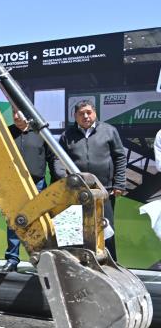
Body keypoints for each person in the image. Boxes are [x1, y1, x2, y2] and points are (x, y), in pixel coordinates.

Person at [54, 99, 126, 260]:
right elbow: (58, 158)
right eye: (81, 114)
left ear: (95, 113)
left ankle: (110, 263)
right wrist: (63, 177)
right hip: (76, 191)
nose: (85, 116)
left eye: (88, 112)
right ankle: (75, 263)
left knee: (105, 229)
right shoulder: (67, 135)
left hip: (103, 191)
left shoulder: (109, 131)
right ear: (75, 116)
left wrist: (119, 183)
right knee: (73, 230)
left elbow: (120, 157)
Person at [0, 111, 56, 273]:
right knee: (13, 222)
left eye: (19, 113)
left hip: (36, 184)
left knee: (38, 222)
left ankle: (42, 260)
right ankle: (12, 259)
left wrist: (55, 183)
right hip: (13, 185)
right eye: (13, 113)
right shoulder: (6, 132)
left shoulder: (40, 133)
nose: (16, 117)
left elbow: (52, 158)